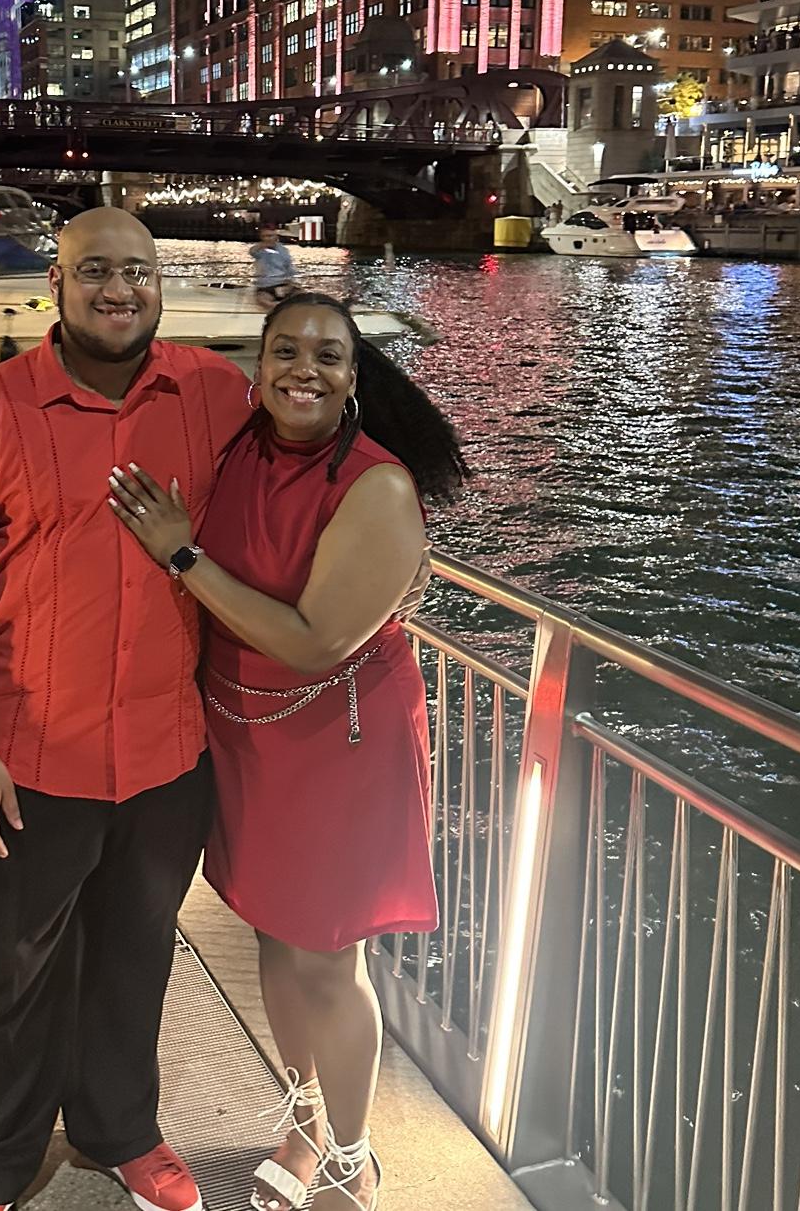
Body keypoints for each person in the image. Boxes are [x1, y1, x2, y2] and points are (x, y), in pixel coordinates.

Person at [0, 207, 250, 1211]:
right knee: (3, 979)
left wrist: (390, 548)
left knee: (135, 959)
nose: (119, 290)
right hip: (24, 754)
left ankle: (118, 1132)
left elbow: (316, 454)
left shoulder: (215, 393)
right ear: (56, 285)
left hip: (164, 754)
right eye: (95, 270)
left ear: (160, 282)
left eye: (138, 270)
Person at [108, 292, 468, 1211]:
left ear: (354, 378)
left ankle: (354, 1158)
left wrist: (181, 556)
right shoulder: (241, 449)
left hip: (338, 740)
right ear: (259, 367)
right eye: (285, 352)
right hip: (248, 733)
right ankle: (305, 1120)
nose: (304, 369)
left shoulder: (377, 486)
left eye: (328, 356)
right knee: (273, 933)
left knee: (327, 957)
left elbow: (312, 642)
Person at [249, 222, 301, 308]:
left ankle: (284, 305)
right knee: (262, 300)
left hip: (282, 283)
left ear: (276, 236)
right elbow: (252, 252)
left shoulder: (283, 250)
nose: (268, 239)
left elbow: (289, 267)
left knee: (302, 295)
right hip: (266, 286)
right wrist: (262, 245)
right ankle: (279, 306)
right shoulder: (259, 250)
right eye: (265, 236)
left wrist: (291, 283)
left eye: (270, 236)